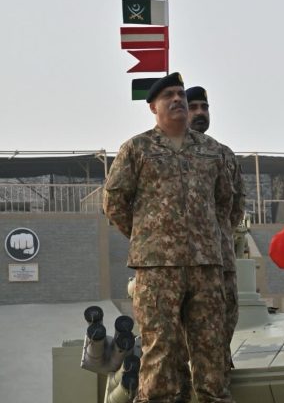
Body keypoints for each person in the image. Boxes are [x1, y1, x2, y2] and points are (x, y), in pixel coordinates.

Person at [104, 72, 234, 403]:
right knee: (160, 351)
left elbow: (225, 204)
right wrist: (148, 238)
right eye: (168, 96)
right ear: (153, 107)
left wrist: (210, 241)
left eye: (180, 94)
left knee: (211, 351)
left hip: (205, 267)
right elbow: (115, 202)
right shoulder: (137, 148)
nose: (177, 99)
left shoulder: (212, 151)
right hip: (157, 269)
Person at [186, 85, 246, 392]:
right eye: (192, 106)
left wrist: (217, 236)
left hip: (220, 259)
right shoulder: (154, 152)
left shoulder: (223, 155)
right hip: (179, 265)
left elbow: (234, 208)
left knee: (225, 320)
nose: (199, 113)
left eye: (203, 107)